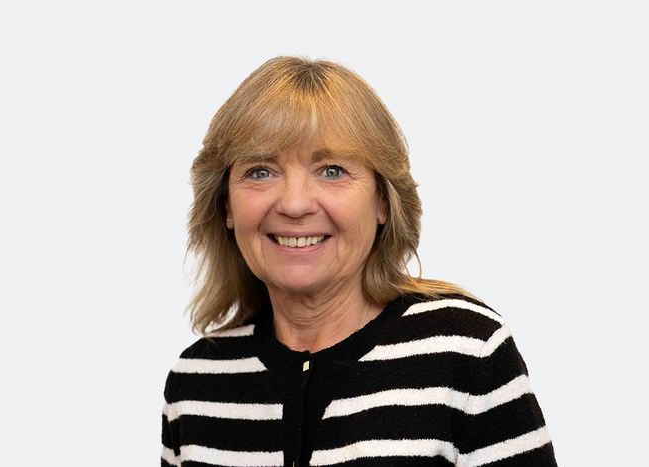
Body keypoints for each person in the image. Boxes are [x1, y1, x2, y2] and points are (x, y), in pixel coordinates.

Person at [161, 56, 557, 467]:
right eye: (261, 172)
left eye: (331, 170)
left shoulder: (467, 352)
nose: (294, 204)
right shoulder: (194, 383)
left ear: (383, 200)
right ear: (226, 205)